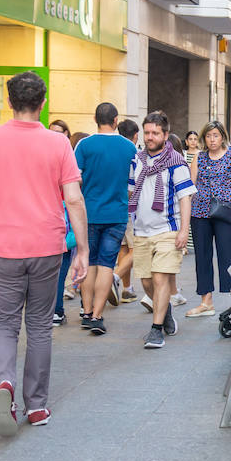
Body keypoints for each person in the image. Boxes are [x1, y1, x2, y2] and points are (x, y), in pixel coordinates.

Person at [0, 72, 88, 435]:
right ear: (43, 103)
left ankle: (4, 385)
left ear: (9, 102)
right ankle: (37, 406)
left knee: (3, 324)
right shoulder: (59, 143)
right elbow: (74, 198)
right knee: (40, 326)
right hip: (47, 247)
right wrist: (82, 248)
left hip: (2, 248)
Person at [129, 112, 194, 349]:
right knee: (146, 283)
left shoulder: (176, 161)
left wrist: (184, 231)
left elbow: (185, 197)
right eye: (147, 132)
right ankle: (164, 311)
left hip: (168, 229)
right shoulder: (137, 160)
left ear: (165, 135)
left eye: (155, 133)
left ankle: (156, 330)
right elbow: (130, 190)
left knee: (160, 278)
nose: (150, 137)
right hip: (141, 230)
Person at [73, 103, 137, 334]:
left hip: (88, 214)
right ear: (116, 120)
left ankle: (87, 312)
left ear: (94, 118)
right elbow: (133, 183)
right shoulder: (129, 147)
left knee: (88, 264)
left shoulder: (84, 145)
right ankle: (98, 316)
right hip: (117, 213)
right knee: (107, 264)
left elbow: (75, 178)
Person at [185, 120, 231, 318]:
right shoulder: (199, 158)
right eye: (209, 136)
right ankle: (206, 301)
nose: (212, 140)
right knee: (202, 256)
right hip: (200, 212)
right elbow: (190, 187)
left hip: (224, 211)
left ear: (222, 137)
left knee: (228, 257)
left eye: (216, 136)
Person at [112, 118, 142, 304]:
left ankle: (127, 289)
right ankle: (113, 278)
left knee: (124, 247)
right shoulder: (135, 153)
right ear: (136, 135)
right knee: (137, 247)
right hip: (131, 206)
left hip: (116, 204)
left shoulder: (114, 152)